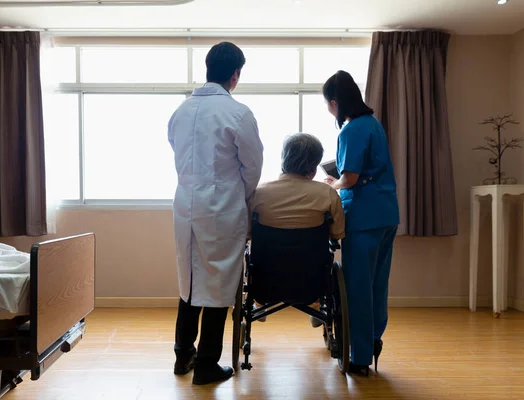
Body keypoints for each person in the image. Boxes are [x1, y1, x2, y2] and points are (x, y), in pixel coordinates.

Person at [167, 42, 264, 385]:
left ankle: (182, 356)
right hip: (221, 206)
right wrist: (241, 194)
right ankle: (207, 363)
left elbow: (177, 150)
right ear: (235, 74)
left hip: (185, 206)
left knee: (190, 281)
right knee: (219, 284)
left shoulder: (180, 111)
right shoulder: (238, 113)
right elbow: (252, 168)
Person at [321, 70, 399, 376]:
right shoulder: (374, 125)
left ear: (336, 101)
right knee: (378, 285)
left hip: (364, 217)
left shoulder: (351, 130)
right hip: (387, 214)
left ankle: (360, 356)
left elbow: (350, 179)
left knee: (358, 287)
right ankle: (373, 341)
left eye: (328, 104)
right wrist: (341, 180)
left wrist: (332, 184)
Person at [249, 133, 345, 323]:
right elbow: (337, 233)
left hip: (266, 281)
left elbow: (247, 233)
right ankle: (316, 306)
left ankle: (259, 304)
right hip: (310, 283)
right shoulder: (327, 194)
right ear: (314, 165)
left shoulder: (258, 193)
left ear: (284, 158)